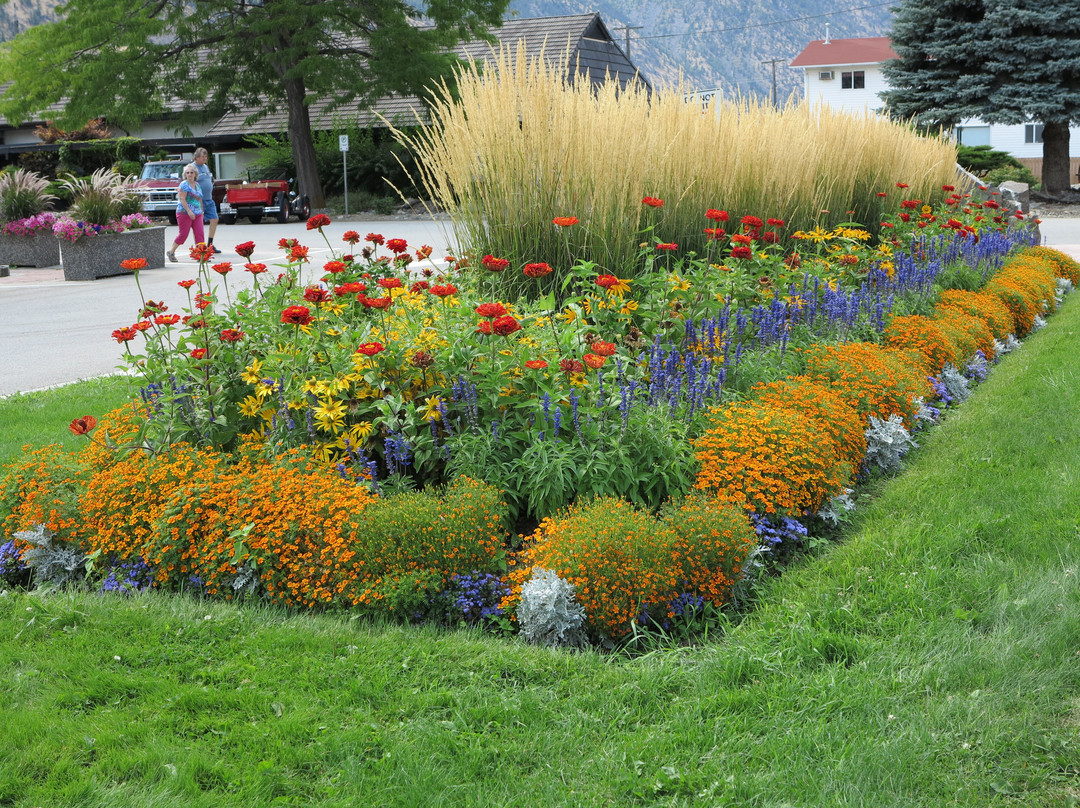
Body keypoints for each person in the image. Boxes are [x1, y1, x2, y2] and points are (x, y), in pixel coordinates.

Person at [166, 163, 204, 263]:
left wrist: (201, 211)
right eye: (187, 173)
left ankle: (201, 255)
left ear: (195, 174)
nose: (190, 174)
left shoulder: (197, 185)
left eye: (191, 172)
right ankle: (171, 251)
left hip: (197, 212)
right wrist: (189, 211)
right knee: (183, 234)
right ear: (185, 174)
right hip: (184, 212)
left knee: (200, 234)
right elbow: (182, 199)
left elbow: (199, 199)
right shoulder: (184, 185)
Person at [193, 147, 221, 254]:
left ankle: (210, 244)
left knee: (214, 219)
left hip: (209, 199)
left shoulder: (205, 167)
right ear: (197, 157)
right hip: (198, 200)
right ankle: (200, 246)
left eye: (206, 156)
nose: (205, 158)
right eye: (203, 157)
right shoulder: (192, 168)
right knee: (199, 224)